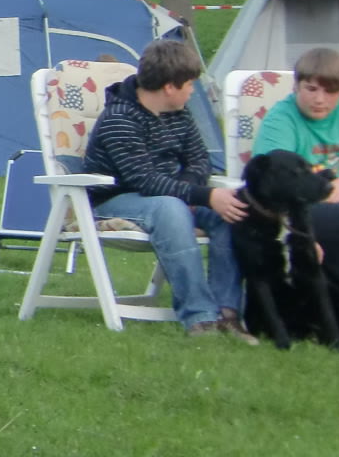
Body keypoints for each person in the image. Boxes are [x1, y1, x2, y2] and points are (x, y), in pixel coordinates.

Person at [83, 39, 248, 341]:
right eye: (190, 84)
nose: (192, 91)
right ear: (170, 87)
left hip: (168, 197)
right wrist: (201, 196)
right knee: (171, 208)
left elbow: (200, 160)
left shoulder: (178, 112)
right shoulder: (119, 119)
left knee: (230, 212)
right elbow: (145, 181)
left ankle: (228, 313)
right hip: (116, 200)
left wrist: (189, 190)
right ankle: (200, 318)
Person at [251, 47, 339, 303]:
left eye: (330, 91)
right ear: (296, 86)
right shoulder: (281, 120)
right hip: (308, 208)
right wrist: (303, 233)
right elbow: (272, 184)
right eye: (311, 89)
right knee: (320, 223)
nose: (319, 99)